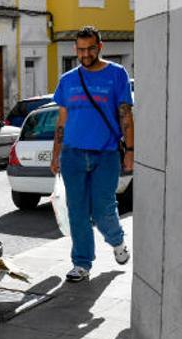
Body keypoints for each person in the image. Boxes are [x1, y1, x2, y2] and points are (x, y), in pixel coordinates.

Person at [50, 25, 134, 283]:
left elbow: (125, 115)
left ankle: (117, 241)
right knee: (77, 211)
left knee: (102, 209)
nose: (85, 54)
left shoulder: (117, 74)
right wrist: (55, 154)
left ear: (100, 47)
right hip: (72, 155)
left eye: (90, 49)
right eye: (80, 49)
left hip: (105, 154)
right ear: (75, 49)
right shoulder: (67, 80)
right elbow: (62, 120)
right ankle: (82, 263)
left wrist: (130, 151)